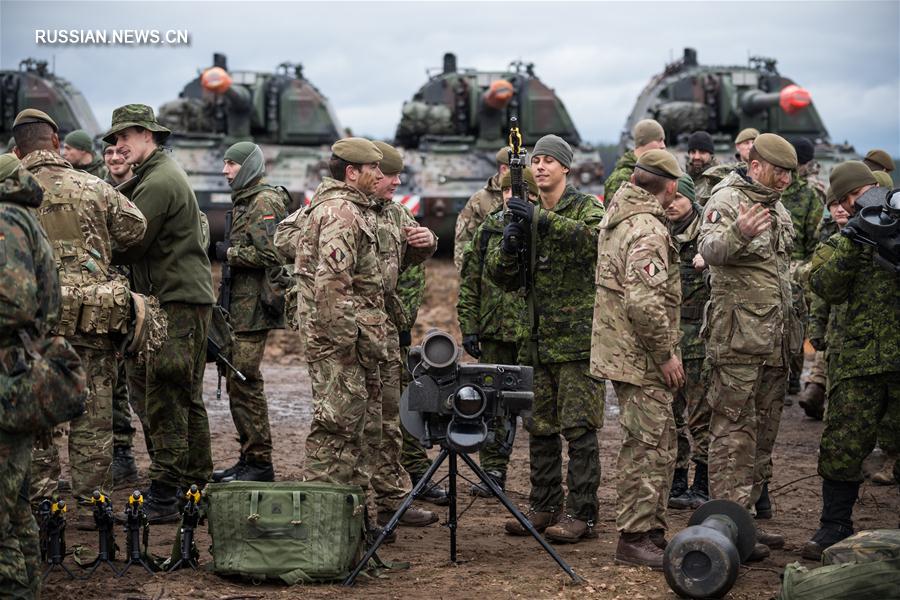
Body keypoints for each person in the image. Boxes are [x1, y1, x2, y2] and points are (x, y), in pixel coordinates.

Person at [14, 109, 147, 526]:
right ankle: (93, 505)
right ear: (57, 142)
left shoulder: (12, 193)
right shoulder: (93, 187)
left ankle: (43, 503)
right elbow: (135, 230)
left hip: (37, 322)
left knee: (40, 413)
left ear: (17, 151)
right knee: (94, 412)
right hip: (93, 318)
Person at [486, 134, 606, 543]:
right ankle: (543, 505)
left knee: (579, 429)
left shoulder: (585, 208)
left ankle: (582, 514)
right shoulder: (520, 212)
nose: (539, 167)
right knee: (539, 428)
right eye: (535, 161)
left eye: (548, 161)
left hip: (575, 341)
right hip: (533, 340)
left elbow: (594, 244)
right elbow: (499, 277)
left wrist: (540, 220)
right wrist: (510, 242)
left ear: (566, 168)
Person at [105, 104, 215, 523]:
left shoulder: (159, 180)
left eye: (124, 137)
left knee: (166, 394)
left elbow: (131, 242)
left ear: (147, 135)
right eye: (114, 141)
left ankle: (168, 492)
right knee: (184, 397)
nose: (118, 146)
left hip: (174, 300)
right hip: (178, 297)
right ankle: (194, 487)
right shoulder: (153, 175)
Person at [698, 133, 800, 560]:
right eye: (779, 173)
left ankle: (746, 527)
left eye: (790, 176)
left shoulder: (778, 208)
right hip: (738, 343)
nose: (785, 182)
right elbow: (708, 249)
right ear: (755, 165)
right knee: (733, 435)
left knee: (762, 439)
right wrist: (737, 234)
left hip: (774, 344)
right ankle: (725, 528)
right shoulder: (726, 199)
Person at [802, 162, 899, 560]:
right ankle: (834, 525)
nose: (861, 205)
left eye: (864, 196)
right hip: (859, 362)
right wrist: (856, 237)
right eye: (851, 201)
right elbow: (825, 285)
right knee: (843, 444)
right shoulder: (843, 241)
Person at [592, 149, 684, 569]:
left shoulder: (618, 215)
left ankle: (648, 530)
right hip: (642, 354)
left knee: (651, 442)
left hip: (622, 349)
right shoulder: (647, 228)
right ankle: (634, 537)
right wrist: (665, 355)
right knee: (648, 446)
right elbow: (645, 304)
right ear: (669, 187)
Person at [0, 154, 83, 599]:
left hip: (8, 379)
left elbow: (11, 302)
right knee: (14, 509)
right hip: (19, 376)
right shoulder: (23, 218)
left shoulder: (6, 221)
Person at [295, 138, 387, 492]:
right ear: (352, 173)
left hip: (345, 341)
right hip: (339, 346)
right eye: (372, 169)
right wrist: (348, 343)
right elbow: (332, 283)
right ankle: (322, 509)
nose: (379, 175)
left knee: (354, 428)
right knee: (336, 427)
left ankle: (352, 515)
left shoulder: (345, 208)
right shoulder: (341, 213)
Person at [366, 141, 439, 528]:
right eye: (392, 176)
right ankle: (359, 507)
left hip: (386, 331)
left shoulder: (394, 213)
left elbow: (416, 247)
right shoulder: (338, 211)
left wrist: (429, 242)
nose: (397, 182)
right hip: (349, 336)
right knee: (351, 422)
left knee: (389, 417)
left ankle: (392, 500)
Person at [210, 142, 287, 482]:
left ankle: (259, 463)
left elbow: (275, 254)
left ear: (249, 166)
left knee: (244, 379)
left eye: (232, 164)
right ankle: (249, 457)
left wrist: (230, 253)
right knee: (237, 381)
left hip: (253, 309)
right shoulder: (246, 200)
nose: (226, 171)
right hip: (239, 307)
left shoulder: (264, 202)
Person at [457, 167, 538, 497]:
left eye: (516, 192)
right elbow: (470, 281)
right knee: (492, 405)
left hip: (529, 332)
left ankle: (542, 483)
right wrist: (469, 326)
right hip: (493, 331)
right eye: (505, 192)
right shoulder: (488, 229)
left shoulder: (541, 227)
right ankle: (493, 471)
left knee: (537, 409)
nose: (510, 198)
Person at [664, 174, 711, 511]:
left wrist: (710, 264)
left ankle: (703, 480)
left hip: (699, 340)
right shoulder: (657, 234)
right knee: (672, 413)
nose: (672, 204)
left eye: (680, 198)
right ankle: (678, 477)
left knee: (701, 414)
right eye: (669, 198)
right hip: (669, 340)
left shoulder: (708, 236)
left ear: (691, 200)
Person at [780, 138, 824, 397]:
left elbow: (814, 240)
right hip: (771, 265)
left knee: (794, 323)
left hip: (796, 269)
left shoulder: (809, 196)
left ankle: (793, 376)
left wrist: (802, 269)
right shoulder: (767, 190)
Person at [454, 146, 510, 271]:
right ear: (504, 169)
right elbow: (463, 239)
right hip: (488, 277)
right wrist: (467, 276)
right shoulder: (479, 200)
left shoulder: (531, 195)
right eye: (520, 169)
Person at [695, 128, 760, 206]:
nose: (751, 147)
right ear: (737, 146)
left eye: (754, 143)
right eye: (746, 143)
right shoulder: (725, 169)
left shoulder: (765, 169)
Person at [604, 119, 666, 200]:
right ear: (645, 141)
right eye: (659, 140)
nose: (663, 146)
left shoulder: (653, 171)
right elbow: (614, 210)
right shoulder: (622, 177)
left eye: (663, 141)